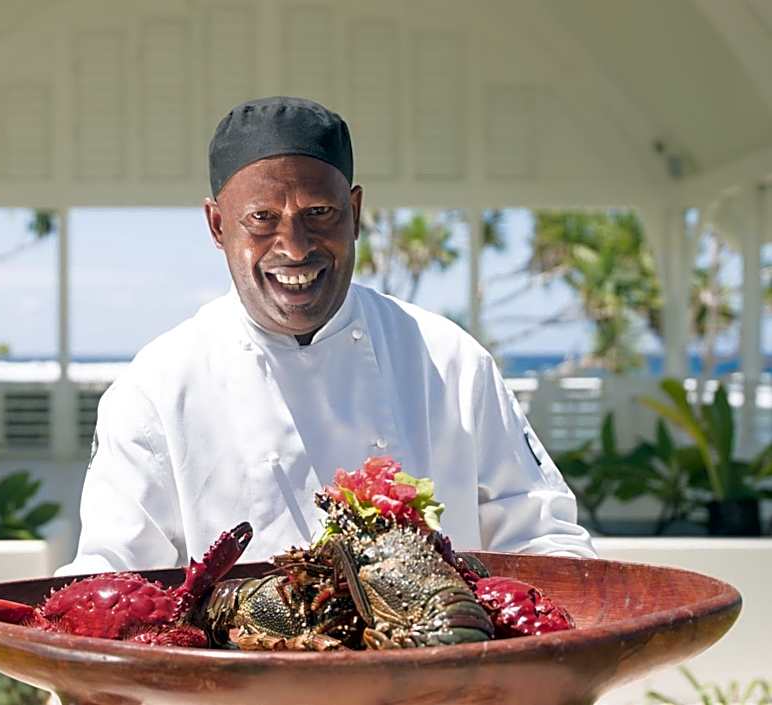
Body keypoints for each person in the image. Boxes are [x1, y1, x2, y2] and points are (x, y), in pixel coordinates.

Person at [56, 97, 595, 576]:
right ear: (218, 226)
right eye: (262, 218)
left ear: (355, 213)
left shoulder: (450, 361)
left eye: (319, 213)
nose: (294, 245)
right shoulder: (155, 389)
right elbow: (112, 580)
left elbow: (543, 540)